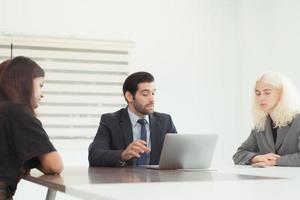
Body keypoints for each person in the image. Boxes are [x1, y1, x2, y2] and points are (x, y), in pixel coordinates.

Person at [0, 56, 64, 199]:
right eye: (40, 85)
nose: (42, 94)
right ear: (26, 84)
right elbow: (55, 165)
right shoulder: (18, 113)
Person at [89, 71, 177, 167]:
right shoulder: (110, 121)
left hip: (156, 180)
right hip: (125, 180)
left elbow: (178, 154)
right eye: (145, 94)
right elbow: (95, 155)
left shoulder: (165, 121)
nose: (152, 99)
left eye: (153, 93)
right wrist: (123, 154)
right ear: (129, 96)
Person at [233, 71, 300, 167]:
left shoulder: (298, 121)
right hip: (270, 180)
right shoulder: (261, 125)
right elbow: (238, 155)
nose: (261, 98)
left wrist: (276, 161)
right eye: (258, 93)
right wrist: (257, 158)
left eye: (267, 93)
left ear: (281, 94)